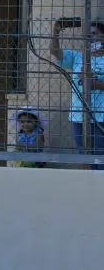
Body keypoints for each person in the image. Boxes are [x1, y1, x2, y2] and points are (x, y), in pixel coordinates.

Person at [49, 18, 104, 169]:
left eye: (94, 33)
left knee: (100, 159)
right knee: (86, 158)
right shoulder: (78, 56)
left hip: (100, 116)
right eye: (88, 34)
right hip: (78, 115)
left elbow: (90, 83)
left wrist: (92, 84)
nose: (90, 37)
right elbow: (55, 52)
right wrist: (56, 32)